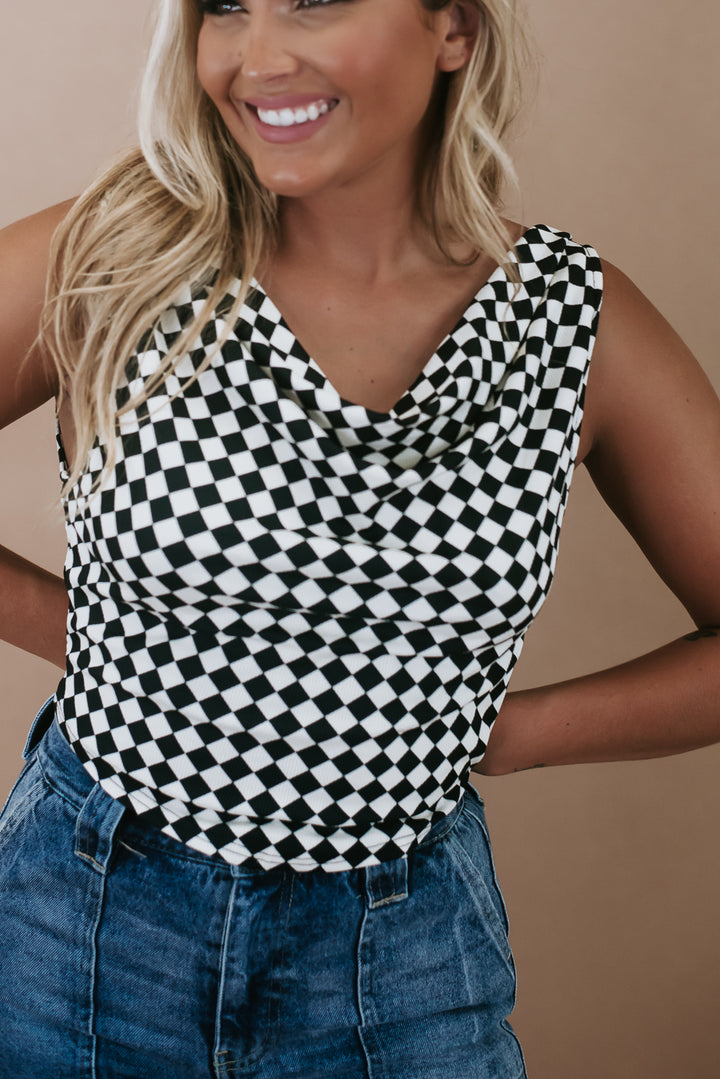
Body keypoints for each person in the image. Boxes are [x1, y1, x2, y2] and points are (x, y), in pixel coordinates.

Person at [0, 0, 718, 1075]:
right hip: (83, 927)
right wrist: (96, 637)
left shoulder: (568, 321)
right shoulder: (114, 257)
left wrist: (504, 730)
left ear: (455, 29)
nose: (258, 56)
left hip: (402, 959)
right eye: (226, 8)